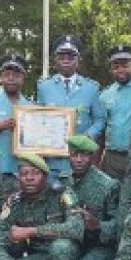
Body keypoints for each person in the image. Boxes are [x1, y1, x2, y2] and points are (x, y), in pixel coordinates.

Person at [62, 134, 120, 260]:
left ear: (93, 157)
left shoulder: (108, 185)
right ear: (68, 155)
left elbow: (120, 225)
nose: (79, 160)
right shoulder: (63, 182)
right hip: (74, 241)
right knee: (58, 258)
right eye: (74, 154)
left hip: (101, 245)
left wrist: (97, 225)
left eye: (85, 155)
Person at [36, 35, 105, 177]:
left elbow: (100, 119)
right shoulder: (44, 87)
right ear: (55, 60)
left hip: (81, 160)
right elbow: (37, 119)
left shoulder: (91, 88)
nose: (66, 60)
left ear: (78, 59)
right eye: (61, 57)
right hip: (52, 161)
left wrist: (89, 135)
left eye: (71, 56)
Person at [98, 45, 131, 180]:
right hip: (112, 159)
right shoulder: (105, 95)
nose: (120, 70)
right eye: (116, 67)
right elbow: (102, 130)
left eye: (125, 65)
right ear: (111, 69)